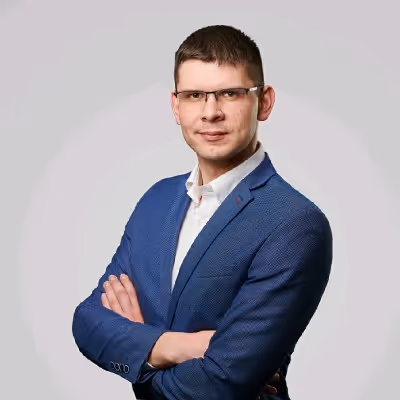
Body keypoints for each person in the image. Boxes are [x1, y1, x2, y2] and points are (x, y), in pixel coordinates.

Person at [72, 25, 333, 400]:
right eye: (194, 95)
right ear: (176, 106)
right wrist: (177, 346)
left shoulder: (294, 223)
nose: (211, 113)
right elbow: (87, 323)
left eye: (230, 93)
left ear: (264, 102)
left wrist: (137, 351)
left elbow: (220, 385)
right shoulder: (156, 201)